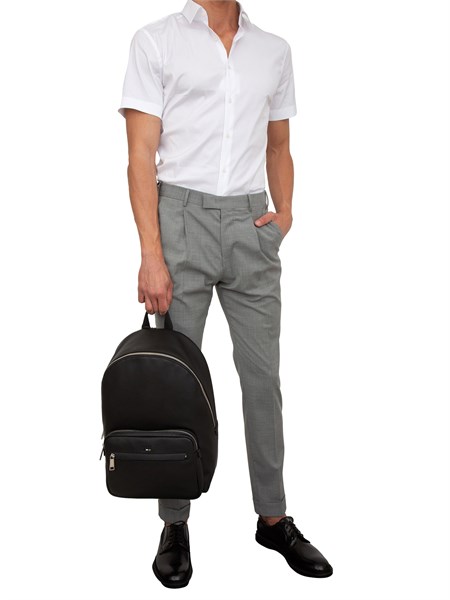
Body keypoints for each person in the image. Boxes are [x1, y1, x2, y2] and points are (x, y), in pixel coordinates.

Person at [118, 0, 333, 588]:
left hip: (251, 226)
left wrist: (284, 215)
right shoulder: (156, 40)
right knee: (174, 383)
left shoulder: (274, 50)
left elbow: (278, 146)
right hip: (179, 220)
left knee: (263, 380)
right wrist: (152, 253)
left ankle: (273, 519)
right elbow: (139, 154)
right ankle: (174, 523)